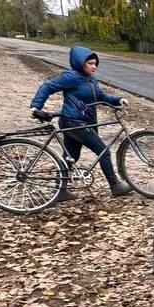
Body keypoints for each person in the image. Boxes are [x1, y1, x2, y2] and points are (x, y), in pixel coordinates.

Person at [29, 45, 131, 199]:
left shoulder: (91, 80)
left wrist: (118, 100)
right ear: (80, 62)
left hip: (80, 122)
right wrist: (36, 106)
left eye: (95, 63)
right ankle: (115, 185)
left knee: (71, 156)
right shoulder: (71, 77)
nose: (94, 66)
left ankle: (59, 191)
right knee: (103, 151)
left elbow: (102, 96)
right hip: (74, 122)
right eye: (90, 63)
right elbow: (47, 86)